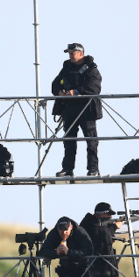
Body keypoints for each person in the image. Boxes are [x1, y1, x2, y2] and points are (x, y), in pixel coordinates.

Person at [52, 43, 103, 177]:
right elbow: (54, 84)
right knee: (69, 140)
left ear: (81, 53)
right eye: (68, 53)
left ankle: (93, 169)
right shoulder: (67, 68)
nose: (70, 56)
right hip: (69, 109)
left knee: (91, 140)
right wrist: (60, 92)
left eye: (72, 53)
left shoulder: (91, 69)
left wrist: (76, 92)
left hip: (87, 109)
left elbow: (94, 88)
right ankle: (67, 169)